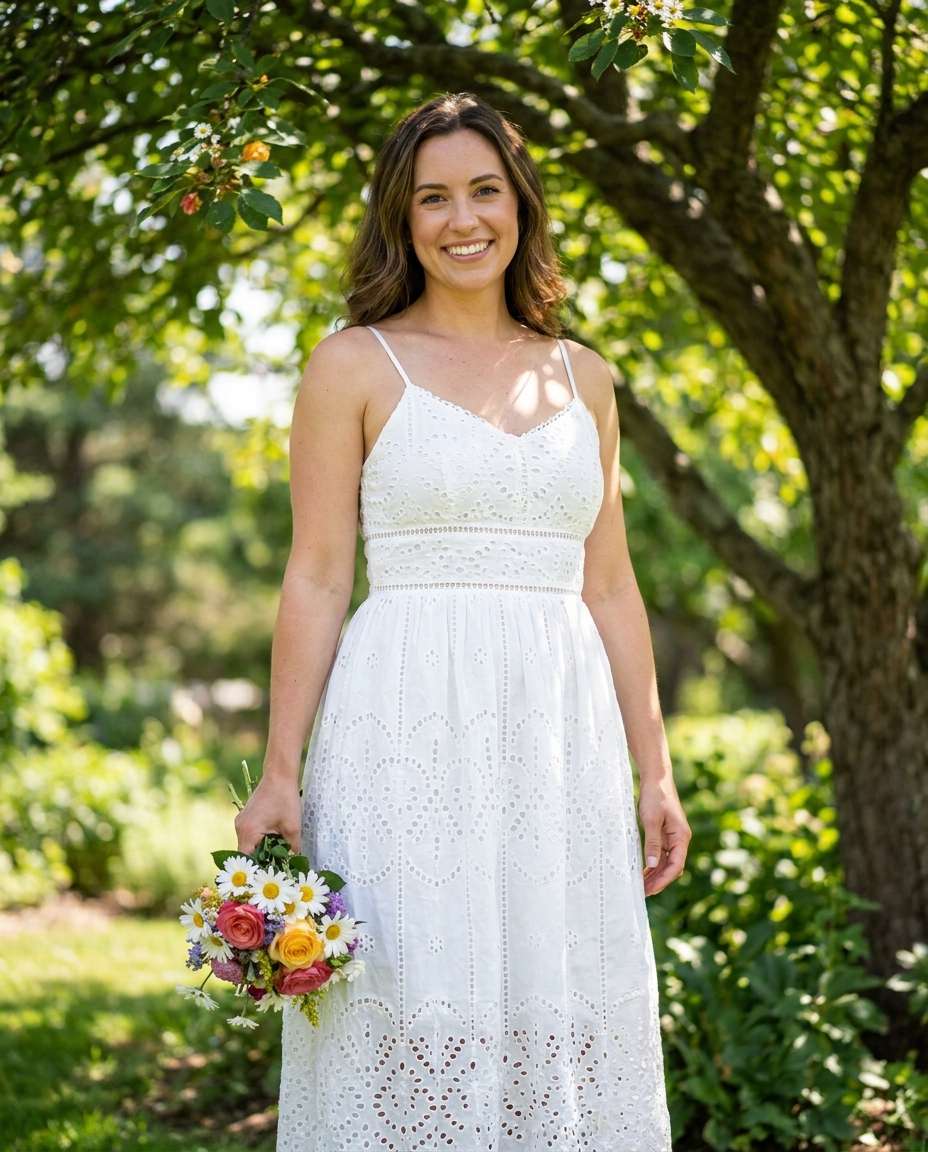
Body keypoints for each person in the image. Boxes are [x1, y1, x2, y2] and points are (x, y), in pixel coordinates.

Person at [235, 90, 689, 1152]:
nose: (462, 218)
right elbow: (314, 574)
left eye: (484, 190)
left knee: (552, 980)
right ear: (402, 218)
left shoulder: (586, 378)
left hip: (556, 738)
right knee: (412, 975)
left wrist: (653, 768)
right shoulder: (350, 363)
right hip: (406, 722)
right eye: (432, 198)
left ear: (521, 205)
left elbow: (612, 586)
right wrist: (279, 770)